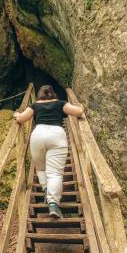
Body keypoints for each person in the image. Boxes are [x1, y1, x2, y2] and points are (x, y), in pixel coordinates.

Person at [13, 85, 84, 218]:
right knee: (55, 173)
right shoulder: (60, 103)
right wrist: (81, 107)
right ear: (53, 93)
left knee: (41, 169)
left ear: (39, 94)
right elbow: (78, 112)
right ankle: (53, 204)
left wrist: (17, 114)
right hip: (57, 135)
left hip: (38, 135)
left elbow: (21, 119)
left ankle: (46, 190)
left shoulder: (34, 106)